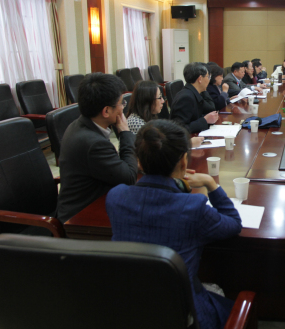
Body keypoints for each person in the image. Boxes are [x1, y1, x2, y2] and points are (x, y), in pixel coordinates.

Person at [106, 119, 242, 329]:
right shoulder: (192, 207)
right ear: (184, 161)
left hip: (130, 309)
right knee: (234, 307)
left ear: (139, 162)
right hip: (184, 314)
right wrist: (211, 184)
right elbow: (233, 224)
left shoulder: (115, 197)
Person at [56, 73, 138, 224]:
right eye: (121, 104)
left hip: (94, 198)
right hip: (80, 217)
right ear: (106, 111)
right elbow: (129, 177)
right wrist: (125, 133)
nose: (123, 108)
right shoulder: (93, 143)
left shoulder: (79, 124)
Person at [170, 62, 219, 133]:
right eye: (208, 77)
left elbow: (209, 109)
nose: (209, 80)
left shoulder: (194, 92)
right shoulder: (186, 98)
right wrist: (204, 120)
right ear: (200, 79)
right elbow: (178, 129)